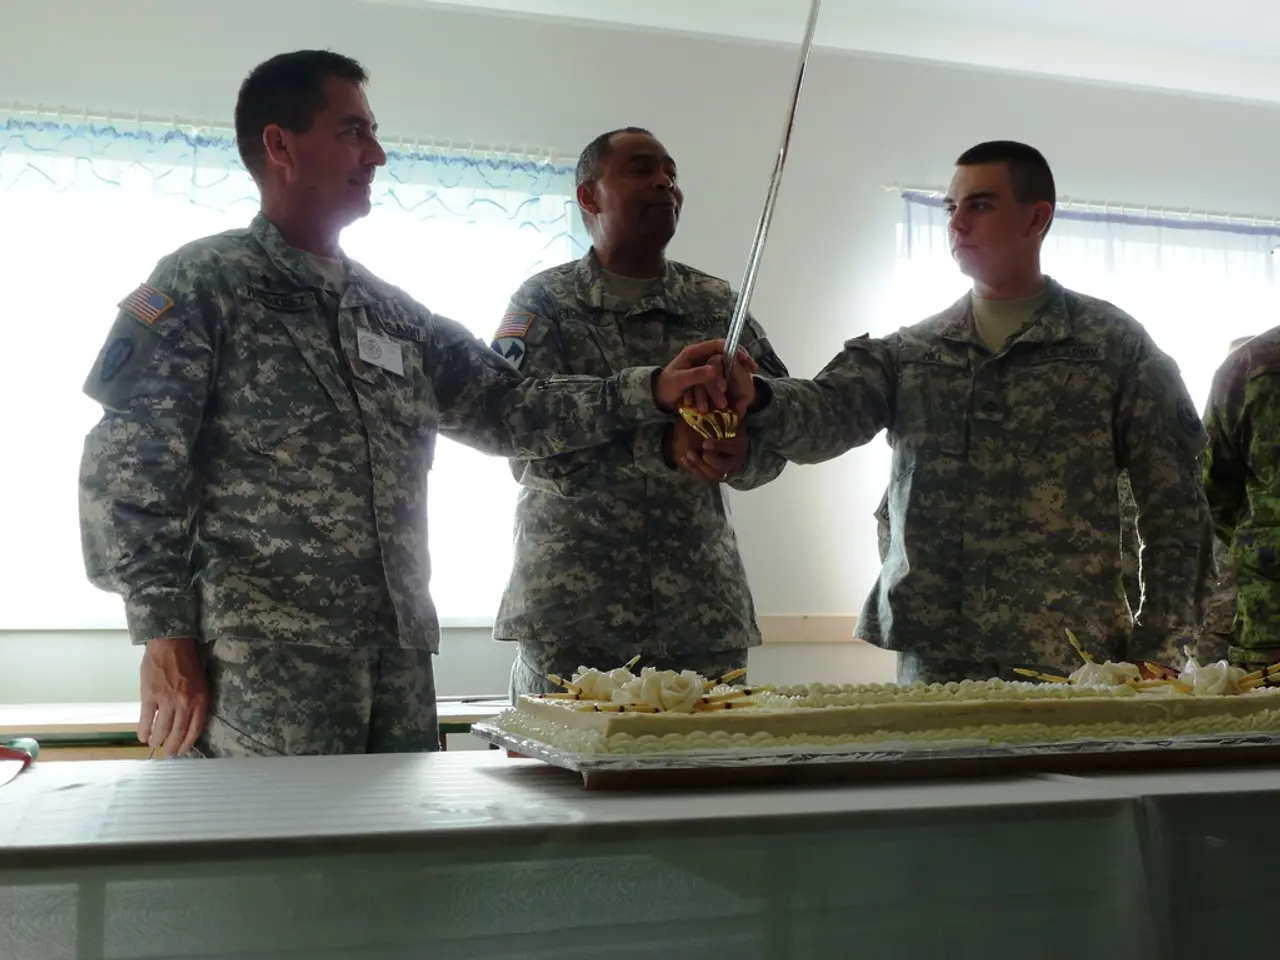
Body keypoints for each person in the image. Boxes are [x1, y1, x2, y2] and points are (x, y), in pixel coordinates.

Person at [77, 51, 737, 759]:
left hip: (399, 660)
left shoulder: (392, 314)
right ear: (280, 145)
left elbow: (512, 409)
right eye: (353, 132)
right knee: (281, 837)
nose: (377, 154)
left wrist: (651, 390)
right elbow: (129, 468)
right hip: (264, 662)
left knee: (404, 836)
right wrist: (163, 631)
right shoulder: (204, 284)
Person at [729, 140, 1214, 684]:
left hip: (1072, 663)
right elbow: (823, 417)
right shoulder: (913, 351)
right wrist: (758, 396)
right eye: (950, 208)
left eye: (980, 205)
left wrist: (1160, 648)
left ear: (1037, 218)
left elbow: (1178, 510)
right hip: (937, 662)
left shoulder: (1113, 347)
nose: (957, 223)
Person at [490, 127, 790, 698]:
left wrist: (739, 455)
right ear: (589, 196)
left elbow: (779, 426)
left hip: (700, 613)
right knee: (562, 760)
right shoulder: (544, 303)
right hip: (573, 618)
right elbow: (517, 434)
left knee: (717, 758)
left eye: (671, 172)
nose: (664, 183)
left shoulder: (718, 305)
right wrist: (658, 428)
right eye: (641, 169)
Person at [1201, 331, 1280, 670]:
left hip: (1269, 618)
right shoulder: (1249, 364)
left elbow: (1214, 492)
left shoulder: (1252, 364)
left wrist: (1259, 547)